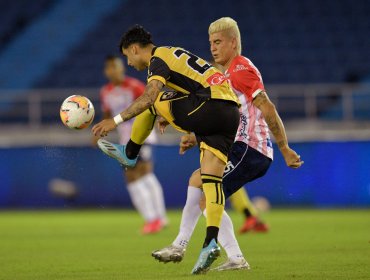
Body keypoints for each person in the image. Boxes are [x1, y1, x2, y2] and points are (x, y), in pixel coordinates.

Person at [152, 17, 303, 271]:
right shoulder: (225, 75)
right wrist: (192, 134)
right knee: (196, 181)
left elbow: (267, 107)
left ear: (233, 43)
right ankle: (204, 250)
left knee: (205, 197)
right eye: (211, 42)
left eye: (218, 42)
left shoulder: (241, 69)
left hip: (252, 149)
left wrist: (284, 147)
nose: (213, 48)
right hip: (241, 147)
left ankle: (196, 248)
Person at [92, 25, 241, 274]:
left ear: (134, 49)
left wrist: (115, 121)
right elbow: (191, 85)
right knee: (211, 179)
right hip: (230, 112)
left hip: (209, 105)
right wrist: (171, 113)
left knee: (152, 103)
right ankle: (210, 242)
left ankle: (129, 153)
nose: (129, 63)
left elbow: (149, 97)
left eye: (128, 57)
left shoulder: (157, 58)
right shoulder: (175, 52)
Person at [94, 55, 167, 234]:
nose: (113, 70)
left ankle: (159, 218)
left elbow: (151, 102)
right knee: (131, 178)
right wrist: (100, 131)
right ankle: (151, 218)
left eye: (115, 66)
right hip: (124, 141)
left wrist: (162, 116)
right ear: (105, 71)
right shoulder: (105, 92)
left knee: (144, 173)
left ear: (122, 68)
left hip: (143, 136)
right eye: (109, 67)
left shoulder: (134, 86)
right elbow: (107, 114)